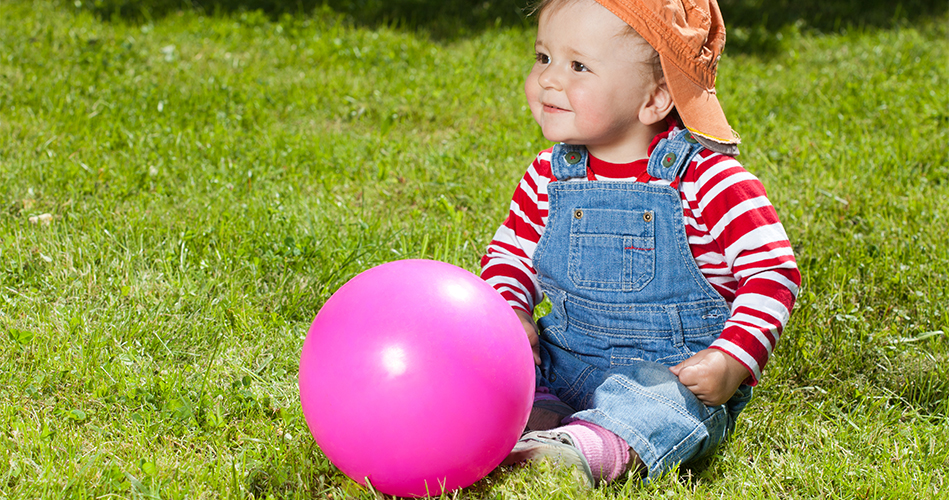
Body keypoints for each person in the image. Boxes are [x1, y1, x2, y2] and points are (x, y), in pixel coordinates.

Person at [480, 0, 801, 486]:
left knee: (669, 404)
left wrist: (731, 357)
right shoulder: (548, 174)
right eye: (543, 57)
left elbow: (772, 274)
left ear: (654, 99)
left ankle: (598, 447)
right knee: (496, 370)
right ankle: (541, 417)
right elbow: (510, 256)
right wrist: (512, 310)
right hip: (563, 356)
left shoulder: (707, 180)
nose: (548, 79)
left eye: (578, 66)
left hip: (667, 373)